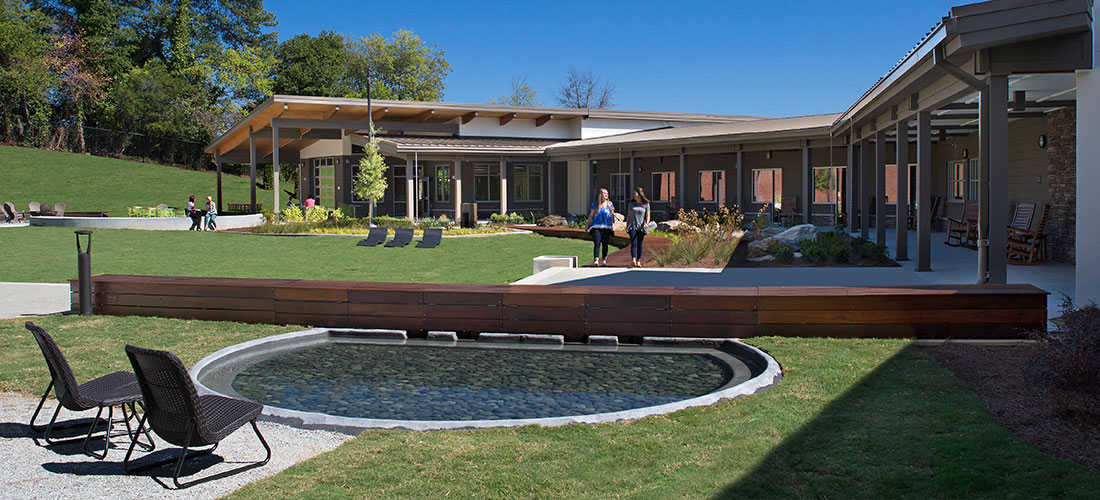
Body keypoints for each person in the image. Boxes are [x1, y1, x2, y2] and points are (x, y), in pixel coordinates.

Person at [586, 188, 615, 267]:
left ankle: (604, 260)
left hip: (606, 227)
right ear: (600, 195)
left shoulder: (610, 204)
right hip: (596, 226)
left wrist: (613, 224)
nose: (606, 195)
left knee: (605, 243)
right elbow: (591, 215)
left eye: (607, 194)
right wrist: (587, 225)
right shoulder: (595, 204)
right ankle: (596, 260)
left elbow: (612, 216)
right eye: (604, 193)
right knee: (597, 243)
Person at [626, 187, 651, 267]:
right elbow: (629, 215)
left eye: (635, 193)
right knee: (634, 242)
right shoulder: (631, 203)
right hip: (632, 225)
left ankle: (638, 260)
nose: (633, 195)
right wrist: (627, 225)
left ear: (639, 194)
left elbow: (648, 215)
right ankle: (633, 259)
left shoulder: (646, 204)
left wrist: (647, 223)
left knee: (640, 243)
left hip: (641, 226)